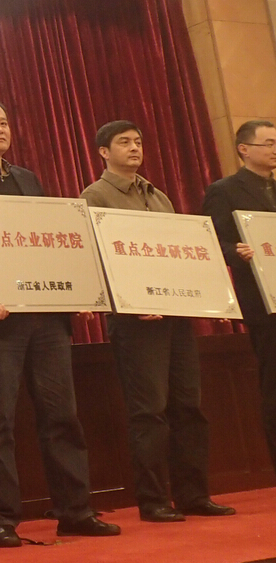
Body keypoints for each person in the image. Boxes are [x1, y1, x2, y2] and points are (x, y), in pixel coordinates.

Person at [0, 100, 119, 547]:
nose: (0, 129)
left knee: (62, 416)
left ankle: (75, 510)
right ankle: (2, 518)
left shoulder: (27, 178)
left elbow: (47, 242)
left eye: (4, 122)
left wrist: (77, 292)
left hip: (47, 318)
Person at [82, 120, 233, 521]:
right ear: (103, 152)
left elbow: (177, 254)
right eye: (124, 142)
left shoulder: (159, 196)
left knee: (189, 405)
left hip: (175, 315)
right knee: (149, 410)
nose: (134, 148)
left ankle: (194, 495)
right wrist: (130, 301)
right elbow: (95, 259)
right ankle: (153, 500)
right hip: (136, 320)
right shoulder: (95, 196)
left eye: (138, 141)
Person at [202, 119, 276, 471]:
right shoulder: (225, 190)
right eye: (268, 143)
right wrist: (235, 251)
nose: (274, 149)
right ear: (244, 149)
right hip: (263, 301)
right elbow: (211, 240)